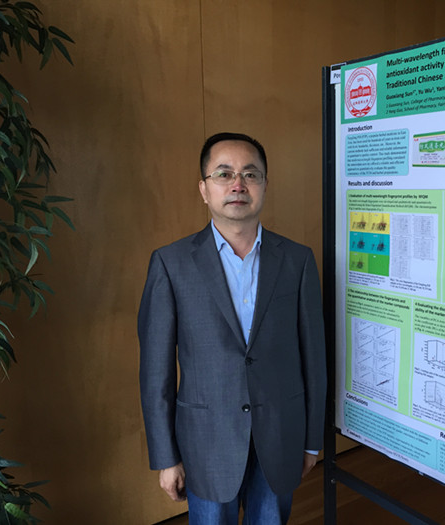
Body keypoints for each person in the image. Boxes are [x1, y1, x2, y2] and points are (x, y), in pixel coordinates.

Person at [138, 132, 326, 524]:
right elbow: (156, 372)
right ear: (204, 189)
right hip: (205, 444)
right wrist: (166, 457)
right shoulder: (171, 264)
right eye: (224, 174)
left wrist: (312, 441)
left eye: (250, 174)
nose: (238, 185)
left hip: (280, 436)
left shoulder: (297, 260)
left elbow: (314, 359)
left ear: (264, 186)